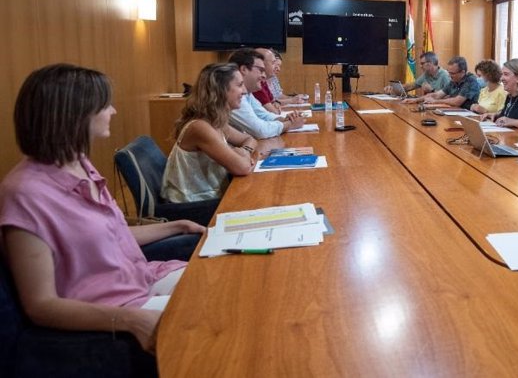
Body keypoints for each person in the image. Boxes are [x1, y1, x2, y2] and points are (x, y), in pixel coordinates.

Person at [0, 63, 206, 354]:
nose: (114, 112)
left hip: (144, 279)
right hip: (118, 311)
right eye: (105, 105)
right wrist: (131, 321)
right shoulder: (25, 193)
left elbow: (113, 235)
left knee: (234, 281)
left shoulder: (80, 164)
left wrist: (176, 225)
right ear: (75, 114)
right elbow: (40, 305)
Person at [161, 63, 258, 203]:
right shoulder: (200, 127)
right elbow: (242, 168)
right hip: (193, 205)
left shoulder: (216, 120)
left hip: (210, 195)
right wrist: (243, 155)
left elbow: (250, 139)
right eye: (239, 85)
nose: (244, 91)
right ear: (221, 90)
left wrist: (244, 151)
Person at [227, 48, 305, 139]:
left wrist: (285, 119)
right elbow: (260, 131)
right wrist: (290, 124)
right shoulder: (231, 94)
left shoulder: (247, 93)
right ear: (244, 69)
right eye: (260, 70)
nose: (264, 76)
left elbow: (263, 115)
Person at [404, 56, 480, 110]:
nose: (449, 75)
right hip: (455, 112)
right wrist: (416, 100)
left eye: (452, 73)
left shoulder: (470, 80)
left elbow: (457, 102)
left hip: (469, 114)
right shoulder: (453, 80)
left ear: (462, 72)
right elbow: (437, 94)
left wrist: (435, 101)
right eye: (449, 72)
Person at [384, 52, 450, 96]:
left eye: (422, 63)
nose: (420, 66)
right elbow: (411, 86)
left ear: (430, 63)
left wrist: (432, 90)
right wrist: (393, 88)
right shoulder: (426, 74)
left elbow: (450, 97)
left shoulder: (445, 75)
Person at [252, 48, 280, 114]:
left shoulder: (262, 81)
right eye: (273, 63)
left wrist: (276, 103)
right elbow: (274, 111)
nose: (276, 68)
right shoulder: (255, 85)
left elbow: (273, 102)